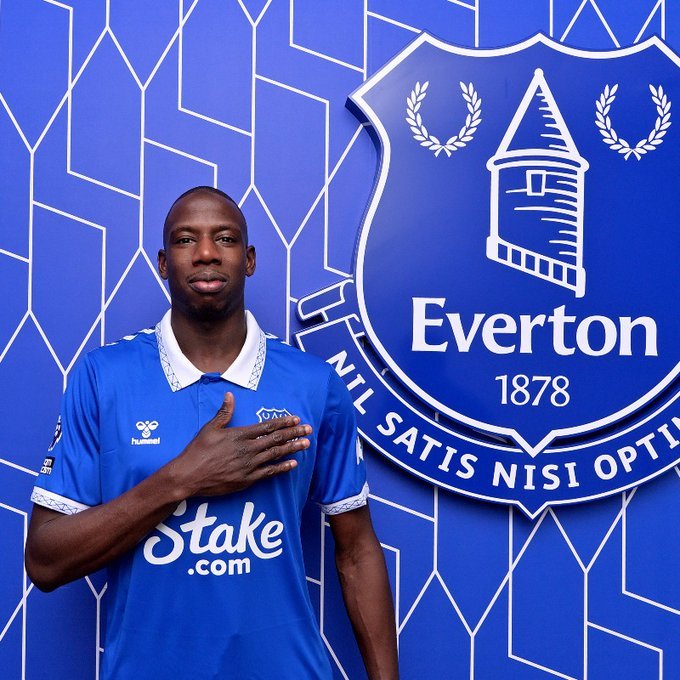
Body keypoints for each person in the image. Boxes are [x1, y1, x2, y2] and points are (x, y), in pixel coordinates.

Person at [25, 186, 399, 679]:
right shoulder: (102, 378)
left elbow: (357, 551)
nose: (205, 253)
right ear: (163, 263)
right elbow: (45, 562)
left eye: (224, 238)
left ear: (249, 260)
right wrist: (183, 478)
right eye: (186, 239)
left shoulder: (313, 383)